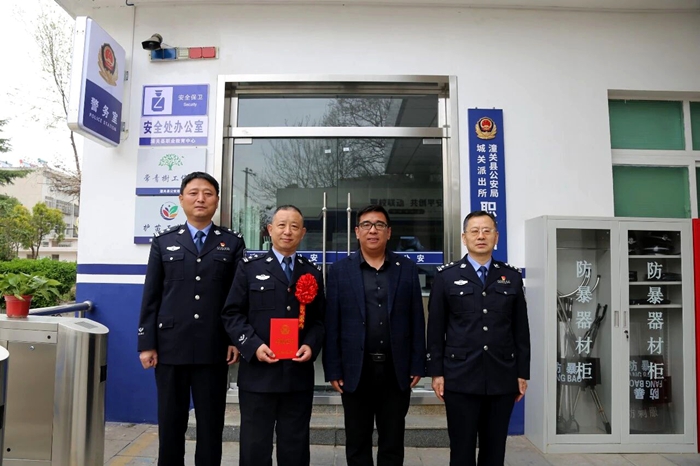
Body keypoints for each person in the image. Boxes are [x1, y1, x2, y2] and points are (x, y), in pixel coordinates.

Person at [137, 171, 246, 466]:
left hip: (213, 347)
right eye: (194, 193)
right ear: (181, 199)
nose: (201, 199)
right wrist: (147, 344)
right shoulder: (164, 241)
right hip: (170, 347)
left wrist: (234, 339)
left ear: (217, 200)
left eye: (208, 193)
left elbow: (237, 297)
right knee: (171, 422)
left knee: (211, 424)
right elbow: (151, 295)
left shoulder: (231, 243)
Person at [222, 205, 325, 466]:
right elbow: (232, 314)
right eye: (281, 225)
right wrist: (253, 346)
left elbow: (320, 320)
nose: (287, 231)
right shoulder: (249, 268)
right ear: (270, 230)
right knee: (254, 448)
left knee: (295, 448)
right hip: (258, 375)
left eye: (294, 226)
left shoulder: (312, 272)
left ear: (303, 233)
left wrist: (311, 345)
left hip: (297, 376)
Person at [323, 204, 426, 466]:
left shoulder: (406, 268)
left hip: (395, 370)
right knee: (357, 442)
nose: (373, 230)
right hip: (355, 370)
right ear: (357, 232)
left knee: (392, 442)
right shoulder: (339, 271)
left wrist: (417, 364)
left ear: (388, 232)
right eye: (366, 225)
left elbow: (416, 319)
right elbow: (332, 323)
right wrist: (333, 369)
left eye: (379, 225)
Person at [426, 210, 530, 466]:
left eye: (486, 231)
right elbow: (436, 329)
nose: (481, 236)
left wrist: (522, 373)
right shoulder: (446, 276)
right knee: (461, 451)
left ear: (496, 237)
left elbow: (521, 329)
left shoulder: (511, 277)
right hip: (460, 376)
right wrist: (436, 373)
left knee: (494, 451)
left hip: (501, 376)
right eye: (474, 231)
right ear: (464, 238)